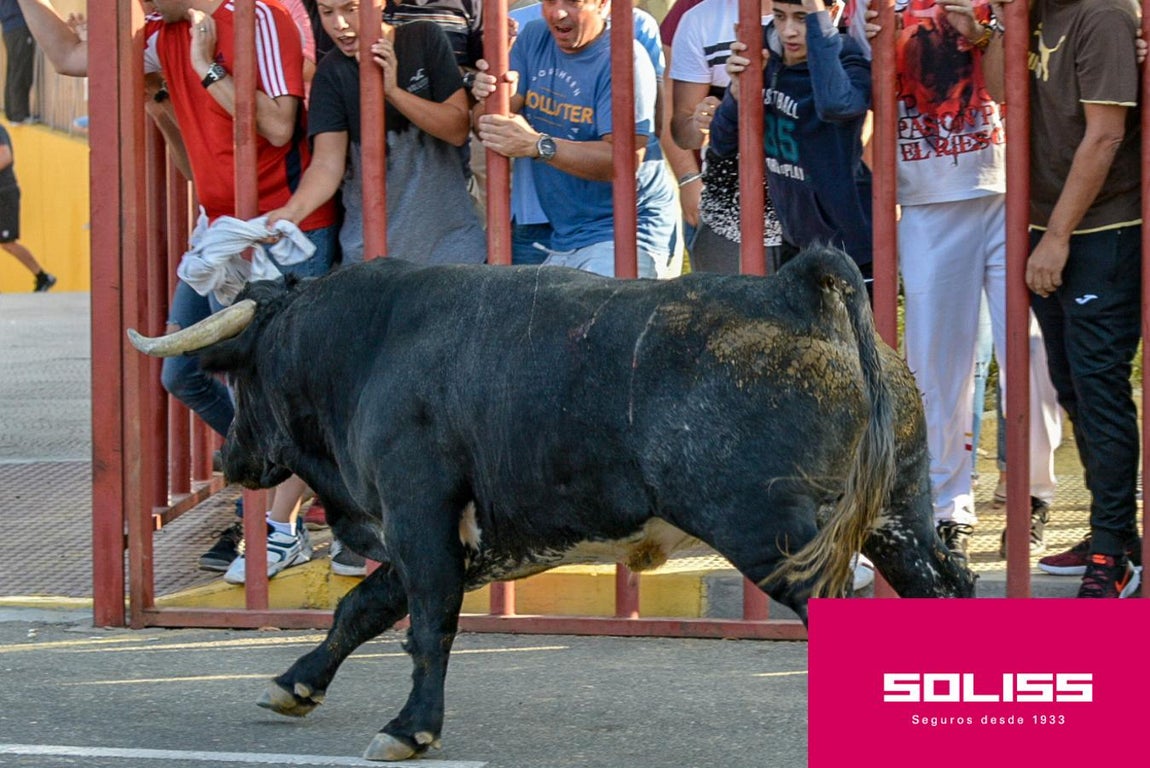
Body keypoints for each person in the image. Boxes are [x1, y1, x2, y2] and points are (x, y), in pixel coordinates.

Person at [858, 0, 1061, 564]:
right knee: (935, 366)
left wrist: (988, 31)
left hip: (1009, 189)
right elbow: (858, 87)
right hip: (927, 202)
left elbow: (1026, 75)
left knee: (1035, 355)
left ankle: (1033, 496)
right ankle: (949, 506)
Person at [983, 0, 1142, 597]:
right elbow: (1003, 92)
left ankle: (1111, 554)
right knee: (1072, 383)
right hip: (1048, 225)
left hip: (1100, 232)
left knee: (1098, 388)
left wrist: (1055, 239)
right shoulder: (1034, 13)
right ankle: (1117, 532)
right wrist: (1003, 19)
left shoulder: (1101, 16)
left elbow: (1105, 136)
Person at [471, 0, 676, 278]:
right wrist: (490, 97)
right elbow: (490, 125)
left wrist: (536, 145)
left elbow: (624, 160)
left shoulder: (625, 58)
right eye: (551, 1)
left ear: (603, 4)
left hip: (625, 228)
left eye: (574, 2)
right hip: (564, 232)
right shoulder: (532, 37)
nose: (558, 12)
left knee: (601, 318)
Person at [717, 0, 872, 280]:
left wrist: (819, 28)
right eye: (779, 17)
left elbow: (835, 105)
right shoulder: (764, 57)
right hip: (796, 239)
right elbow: (722, 143)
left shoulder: (848, 60)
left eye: (801, 18)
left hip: (851, 245)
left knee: (859, 325)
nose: (788, 31)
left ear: (830, 14)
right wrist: (736, 95)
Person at [667, 0, 783, 274]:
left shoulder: (824, 11)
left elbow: (860, 107)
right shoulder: (700, 19)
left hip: (808, 212)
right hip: (729, 216)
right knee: (727, 316)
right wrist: (700, 122)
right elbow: (682, 131)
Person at [0, 122, 53, 290]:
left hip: (4, 192)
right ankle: (43, 277)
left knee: (7, 242)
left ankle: (42, 277)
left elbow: (6, 156)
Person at [0, 0, 35, 122]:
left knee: (14, 71)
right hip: (19, 25)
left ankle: (12, 112)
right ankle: (19, 115)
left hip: (10, 28)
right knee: (21, 71)